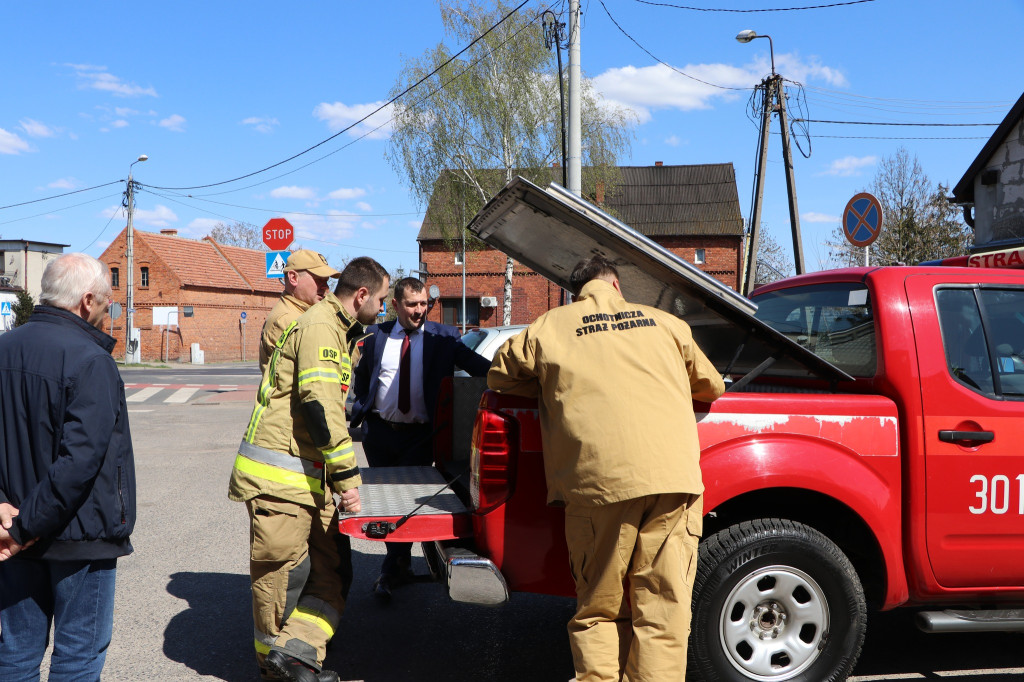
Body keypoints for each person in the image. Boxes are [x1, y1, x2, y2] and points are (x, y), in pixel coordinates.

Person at [488, 255, 725, 682]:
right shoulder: (665, 322)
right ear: (617, 285)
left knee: (600, 610)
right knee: (664, 614)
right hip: (674, 480)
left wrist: (548, 385)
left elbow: (499, 377)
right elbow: (712, 386)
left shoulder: (550, 325)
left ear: (575, 290)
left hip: (598, 484)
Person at [229, 257, 390, 682]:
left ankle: (296, 656)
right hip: (281, 479)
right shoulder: (321, 327)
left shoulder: (336, 327)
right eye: (383, 300)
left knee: (332, 571)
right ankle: (275, 668)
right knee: (282, 578)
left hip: (306, 478)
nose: (385, 309)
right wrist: (348, 480)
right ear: (361, 296)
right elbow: (320, 407)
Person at [0, 253, 136, 681]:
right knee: (77, 655)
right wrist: (23, 527)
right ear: (87, 301)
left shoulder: (3, 348)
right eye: (108, 303)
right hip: (77, 536)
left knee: (15, 655)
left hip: (12, 531)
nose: (107, 311)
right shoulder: (90, 361)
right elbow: (79, 463)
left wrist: (7, 512)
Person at [350, 276, 490, 601]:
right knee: (384, 504)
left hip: (420, 436)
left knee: (403, 502)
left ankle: (392, 567)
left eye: (424, 304)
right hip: (379, 434)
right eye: (412, 304)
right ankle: (398, 563)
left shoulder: (444, 338)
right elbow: (362, 378)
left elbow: (477, 365)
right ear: (396, 304)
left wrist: (516, 376)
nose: (419, 311)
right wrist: (361, 408)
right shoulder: (374, 337)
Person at [260, 249, 341, 373]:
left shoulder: (305, 314)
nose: (326, 287)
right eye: (319, 279)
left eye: (326, 281)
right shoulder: (287, 320)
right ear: (293, 278)